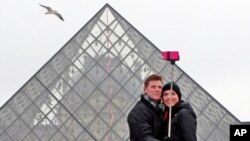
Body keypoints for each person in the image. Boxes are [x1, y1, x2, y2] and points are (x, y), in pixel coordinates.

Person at [127, 74, 163, 141]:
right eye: (153, 87)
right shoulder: (138, 112)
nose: (157, 89)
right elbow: (146, 138)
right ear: (145, 89)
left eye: (160, 87)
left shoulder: (159, 109)